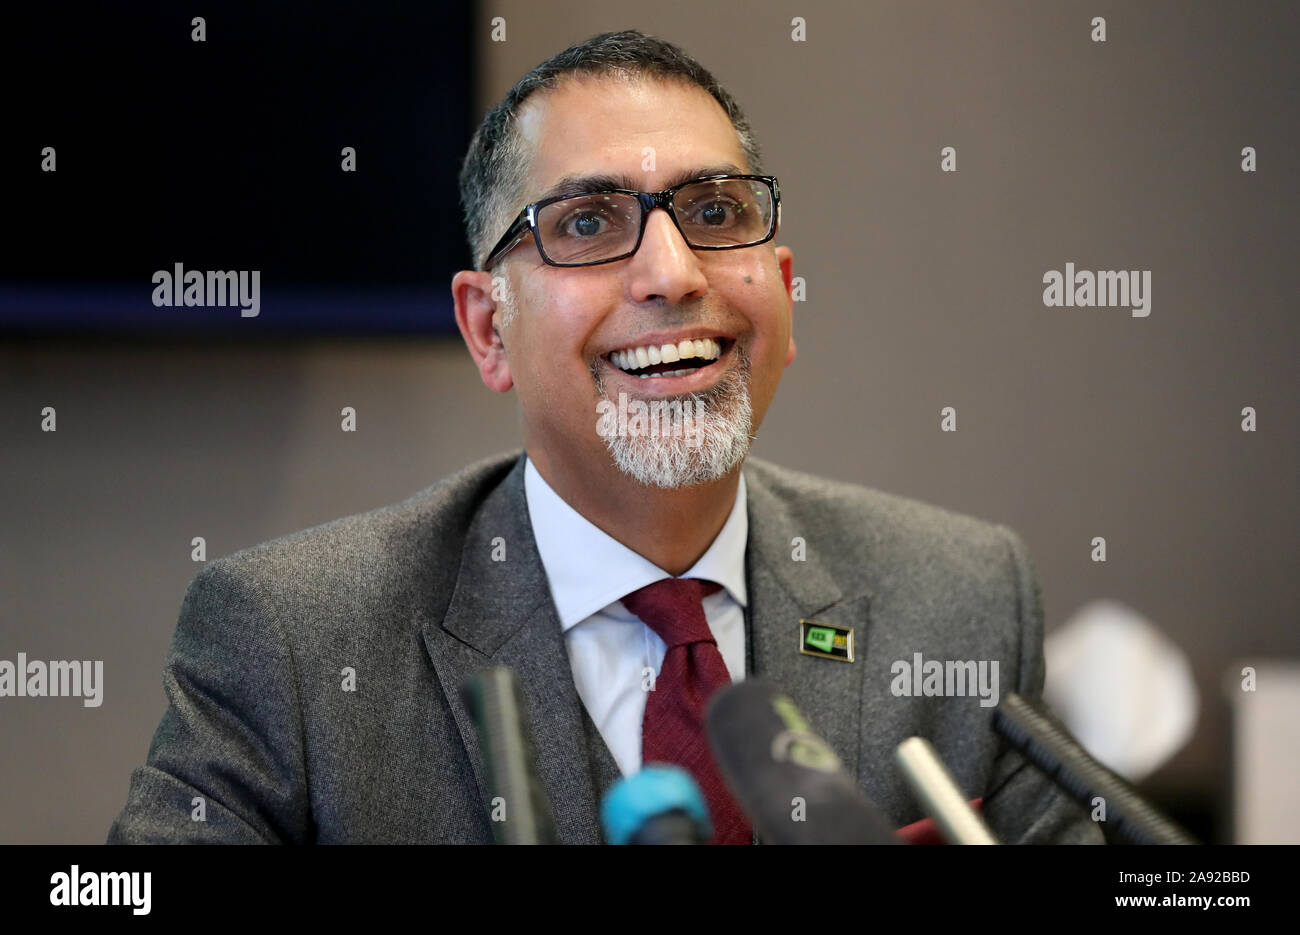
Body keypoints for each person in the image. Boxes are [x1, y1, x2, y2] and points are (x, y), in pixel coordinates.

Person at [108, 29, 1102, 844]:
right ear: (489, 327)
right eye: (586, 223)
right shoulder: (294, 638)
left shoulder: (963, 600)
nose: (671, 272)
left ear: (786, 297)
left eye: (715, 211)